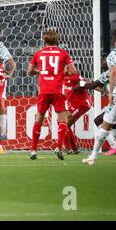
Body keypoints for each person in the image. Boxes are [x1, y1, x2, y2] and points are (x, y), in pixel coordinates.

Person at [27, 29, 77, 160]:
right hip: (58, 91)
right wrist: (64, 73)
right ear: (57, 40)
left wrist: (41, 71)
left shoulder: (39, 53)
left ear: (44, 41)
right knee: (63, 120)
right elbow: (74, 71)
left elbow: (29, 71)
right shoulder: (63, 53)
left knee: (39, 119)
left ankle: (33, 150)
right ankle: (59, 147)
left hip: (43, 91)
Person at [83, 27, 116, 165]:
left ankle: (93, 157)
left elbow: (113, 73)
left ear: (113, 39)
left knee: (104, 125)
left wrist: (109, 93)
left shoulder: (113, 56)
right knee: (107, 122)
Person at [62, 69, 92, 154]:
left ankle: (68, 148)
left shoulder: (76, 77)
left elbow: (84, 83)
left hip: (82, 104)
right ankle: (74, 149)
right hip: (73, 104)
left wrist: (95, 86)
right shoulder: (62, 77)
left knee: (64, 123)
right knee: (65, 124)